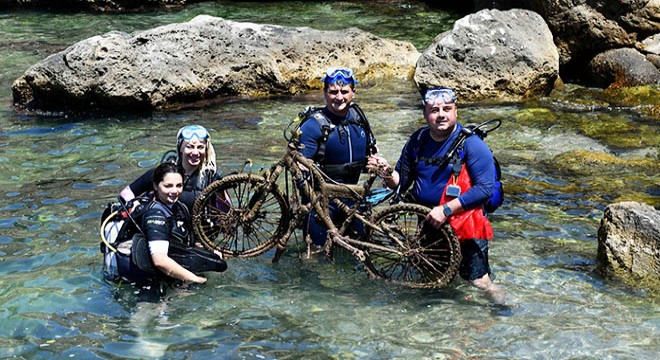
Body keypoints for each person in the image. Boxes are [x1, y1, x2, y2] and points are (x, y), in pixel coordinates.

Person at [368, 86, 504, 302]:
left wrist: (446, 209)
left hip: (465, 224)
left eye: (446, 109)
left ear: (455, 111)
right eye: (434, 110)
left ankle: (504, 312)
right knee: (432, 276)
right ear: (425, 114)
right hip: (429, 223)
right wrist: (385, 171)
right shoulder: (418, 141)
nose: (441, 114)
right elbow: (401, 183)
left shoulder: (472, 145)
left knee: (480, 282)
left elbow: (485, 189)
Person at [296, 67, 378, 248]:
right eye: (333, 92)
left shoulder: (359, 118)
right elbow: (299, 170)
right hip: (322, 205)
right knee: (317, 258)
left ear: (353, 93)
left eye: (344, 91)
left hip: (353, 199)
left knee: (361, 252)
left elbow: (369, 155)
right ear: (324, 93)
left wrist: (376, 164)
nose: (339, 97)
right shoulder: (313, 125)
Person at [113, 162, 210, 286]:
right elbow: (160, 260)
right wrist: (195, 279)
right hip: (143, 284)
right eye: (168, 186)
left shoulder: (178, 207)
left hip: (164, 275)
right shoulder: (155, 215)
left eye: (179, 185)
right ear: (155, 186)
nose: (174, 191)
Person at [120, 124, 220, 212]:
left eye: (200, 147)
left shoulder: (212, 179)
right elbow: (126, 193)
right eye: (189, 147)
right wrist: (135, 206)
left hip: (197, 231)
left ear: (206, 149)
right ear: (180, 148)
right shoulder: (162, 173)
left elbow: (226, 212)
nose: (195, 152)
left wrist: (222, 193)